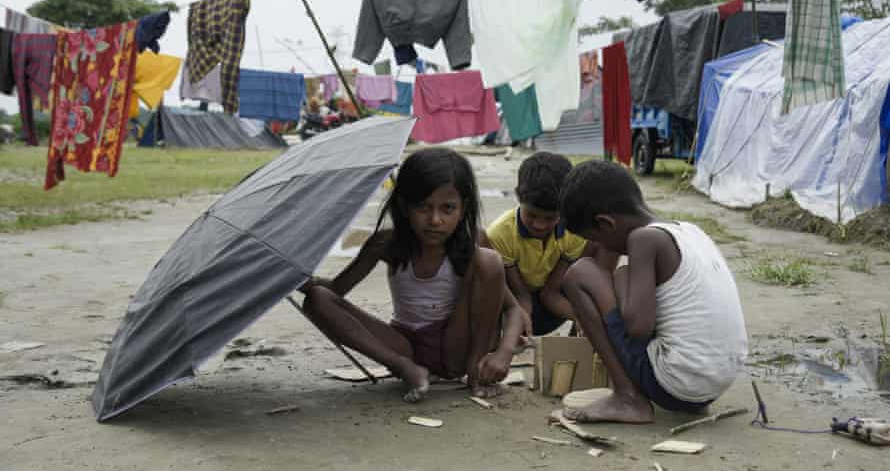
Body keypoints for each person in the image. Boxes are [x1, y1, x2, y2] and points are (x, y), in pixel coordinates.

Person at [301, 148, 524, 402]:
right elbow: (336, 291)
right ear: (404, 207)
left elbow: (513, 309)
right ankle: (404, 369)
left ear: (463, 209)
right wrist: (301, 280)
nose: (435, 220)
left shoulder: (472, 240)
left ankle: (475, 370)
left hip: (456, 346)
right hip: (405, 346)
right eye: (423, 207)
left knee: (488, 260)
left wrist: (504, 352)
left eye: (447, 208)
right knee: (317, 298)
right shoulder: (385, 243)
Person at [558, 160, 748, 423]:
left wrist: (619, 286)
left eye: (597, 240)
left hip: (676, 384)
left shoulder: (643, 239)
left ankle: (627, 398)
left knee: (580, 274)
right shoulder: (690, 232)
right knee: (624, 276)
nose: (600, 247)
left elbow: (638, 328)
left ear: (606, 223)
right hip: (714, 384)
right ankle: (663, 397)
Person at [485, 152, 615, 337]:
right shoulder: (500, 234)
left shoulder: (573, 232)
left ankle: (583, 331)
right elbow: (521, 295)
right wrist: (518, 318)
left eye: (550, 218)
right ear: (518, 196)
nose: (539, 225)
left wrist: (583, 317)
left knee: (601, 242)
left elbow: (551, 294)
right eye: (531, 215)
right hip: (514, 302)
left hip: (552, 302)